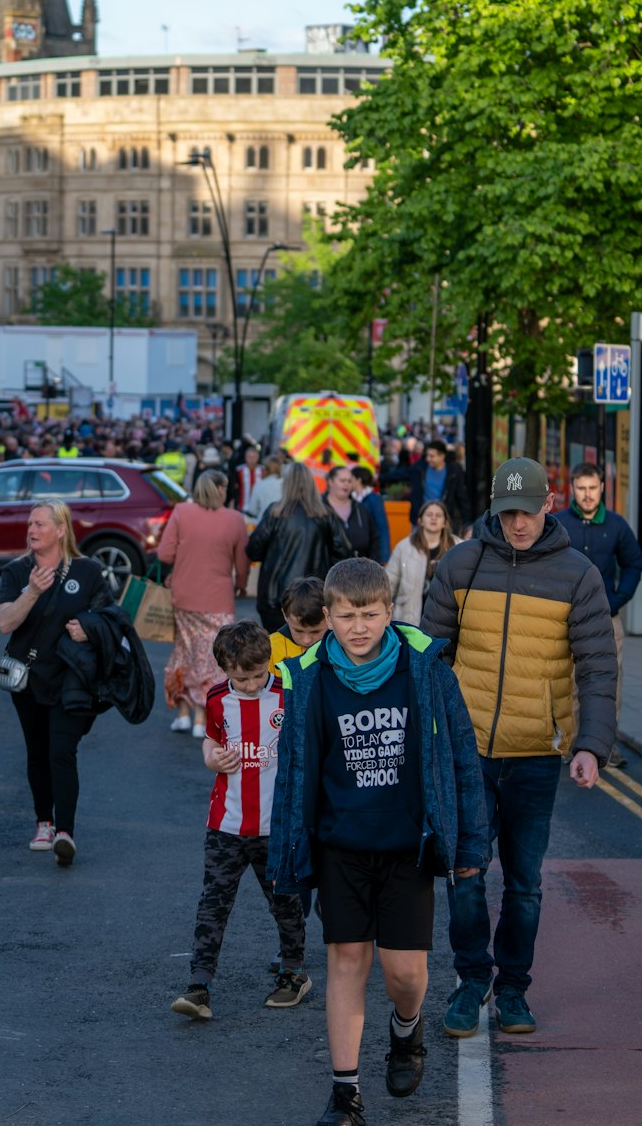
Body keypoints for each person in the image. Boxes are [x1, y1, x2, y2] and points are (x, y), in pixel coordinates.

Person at [269, 559, 488, 1126]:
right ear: (329, 617)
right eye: (345, 616)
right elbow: (294, 770)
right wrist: (287, 858)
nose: (358, 627)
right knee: (345, 959)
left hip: (406, 845)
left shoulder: (426, 669)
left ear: (390, 613)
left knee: (406, 975)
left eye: (369, 614)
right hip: (341, 844)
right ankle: (345, 1095)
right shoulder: (311, 676)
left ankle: (406, 1030)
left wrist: (469, 849)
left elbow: (461, 756)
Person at [422, 457, 617, 1038]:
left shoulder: (578, 575)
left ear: (548, 504)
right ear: (493, 509)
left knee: (525, 882)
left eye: (526, 511)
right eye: (507, 513)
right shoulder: (459, 563)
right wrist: (430, 738)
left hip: (536, 752)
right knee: (465, 872)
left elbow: (598, 667)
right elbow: (430, 658)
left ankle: (512, 989)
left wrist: (591, 746)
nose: (517, 523)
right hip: (470, 750)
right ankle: (470, 980)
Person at [171, 621, 310, 1022]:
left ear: (269, 661)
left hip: (276, 827)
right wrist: (211, 756)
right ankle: (199, 985)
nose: (249, 685)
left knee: (285, 904)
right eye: (240, 678)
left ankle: (293, 973)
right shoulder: (216, 700)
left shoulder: (289, 694)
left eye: (256, 676)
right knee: (213, 906)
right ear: (224, 670)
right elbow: (211, 740)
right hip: (226, 825)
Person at [0, 501, 132, 866]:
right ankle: (44, 822)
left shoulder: (87, 571)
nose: (31, 529)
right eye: (29, 524)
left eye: (40, 524)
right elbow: (5, 624)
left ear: (60, 529)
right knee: (37, 752)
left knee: (61, 751)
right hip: (27, 678)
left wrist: (89, 628)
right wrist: (32, 592)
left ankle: (65, 832)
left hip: (73, 680)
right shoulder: (16, 571)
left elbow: (112, 618)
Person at [554, 460, 642, 768]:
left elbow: (633, 563)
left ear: (602, 488)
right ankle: (572, 742)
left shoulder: (617, 525)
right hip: (565, 617)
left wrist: (619, 599)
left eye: (593, 488)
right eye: (581, 488)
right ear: (572, 488)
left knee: (609, 681)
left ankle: (606, 744)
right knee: (569, 682)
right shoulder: (559, 522)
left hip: (606, 618)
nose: (587, 494)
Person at [159, 471, 250, 737]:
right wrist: (241, 584)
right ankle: (203, 718)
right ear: (221, 489)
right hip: (218, 598)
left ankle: (184, 714)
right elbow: (242, 565)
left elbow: (165, 553)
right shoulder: (234, 519)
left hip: (184, 594)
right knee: (214, 658)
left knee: (186, 652)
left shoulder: (181, 512)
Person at [247, 462, 340, 630]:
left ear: (286, 484)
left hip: (274, 597)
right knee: (313, 650)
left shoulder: (275, 513)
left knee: (278, 649)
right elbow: (343, 552)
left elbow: (253, 550)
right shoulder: (325, 514)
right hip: (315, 595)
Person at [385, 502, 460, 627]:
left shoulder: (459, 547)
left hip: (447, 623)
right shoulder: (404, 547)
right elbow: (388, 586)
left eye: (438, 515)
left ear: (445, 522)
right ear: (420, 521)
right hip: (409, 621)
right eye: (429, 514)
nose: (433, 518)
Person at [408, 439, 469, 536]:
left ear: (442, 456)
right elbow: (401, 474)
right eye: (427, 455)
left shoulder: (453, 471)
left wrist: (467, 521)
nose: (428, 459)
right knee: (417, 548)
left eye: (432, 456)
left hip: (443, 520)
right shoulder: (420, 467)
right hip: (421, 518)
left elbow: (461, 496)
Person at [268, 576, 327, 675]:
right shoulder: (269, 648)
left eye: (315, 631)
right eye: (298, 631)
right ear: (285, 615)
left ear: (329, 616)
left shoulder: (340, 645)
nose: (306, 640)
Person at [324, 466, 382, 563]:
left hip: (360, 571)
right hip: (328, 573)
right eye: (342, 481)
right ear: (330, 481)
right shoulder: (320, 509)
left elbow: (374, 540)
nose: (346, 484)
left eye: (349, 481)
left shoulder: (360, 509)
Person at [351, 466, 391, 565]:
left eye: (351, 479)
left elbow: (382, 527)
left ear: (358, 480)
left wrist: (384, 555)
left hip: (371, 551)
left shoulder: (374, 499)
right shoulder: (351, 498)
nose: (348, 482)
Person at [248, 454, 283, 524]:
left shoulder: (259, 485)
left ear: (265, 469)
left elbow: (252, 510)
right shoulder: (286, 484)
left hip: (263, 525)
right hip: (281, 525)